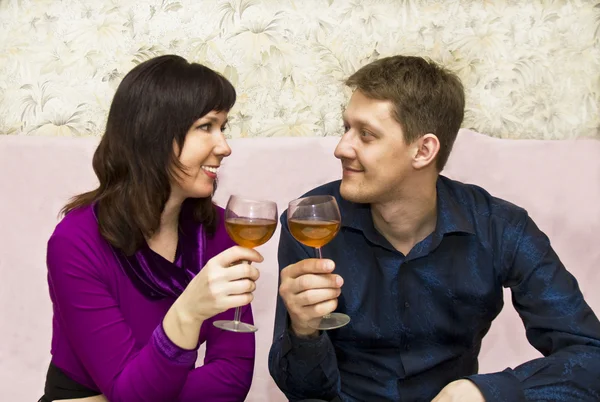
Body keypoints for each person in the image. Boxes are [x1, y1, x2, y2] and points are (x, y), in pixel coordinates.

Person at [268, 55, 600, 401]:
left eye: (366, 135)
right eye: (346, 127)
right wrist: (303, 331)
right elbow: (302, 389)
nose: (341, 147)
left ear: (424, 150)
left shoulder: (500, 229)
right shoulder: (310, 221)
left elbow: (591, 358)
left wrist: (482, 392)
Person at [39, 55, 262, 402]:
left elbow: (233, 375)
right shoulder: (75, 242)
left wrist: (125, 393)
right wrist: (188, 311)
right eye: (206, 127)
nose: (224, 147)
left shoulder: (220, 230)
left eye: (224, 127)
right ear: (153, 135)